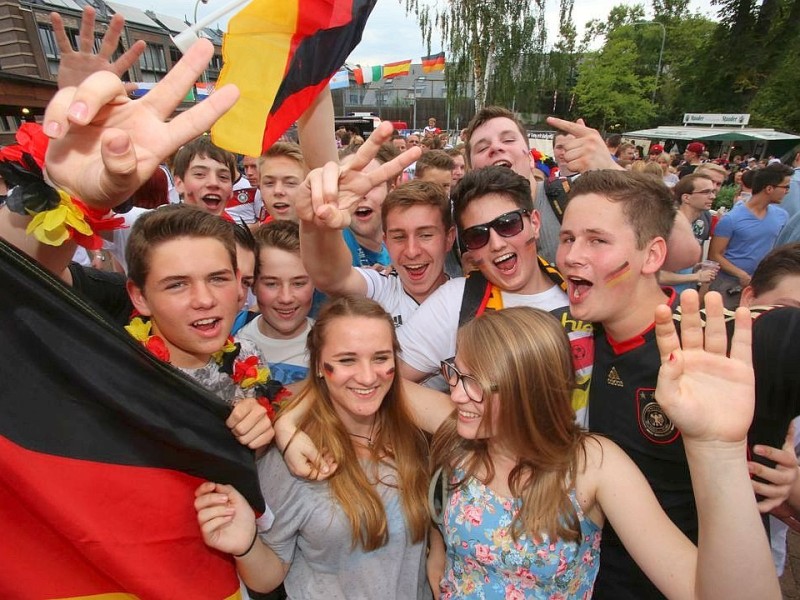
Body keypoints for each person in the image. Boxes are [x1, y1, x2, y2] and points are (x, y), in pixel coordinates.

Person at [427, 294, 778, 599]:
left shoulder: (591, 465)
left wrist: (717, 449)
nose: (456, 393)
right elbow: (390, 390)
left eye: (472, 382)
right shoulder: (462, 439)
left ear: (527, 390)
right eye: (455, 374)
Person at [555, 170, 795, 599]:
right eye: (568, 238)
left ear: (652, 257)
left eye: (596, 240)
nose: (572, 255)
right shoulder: (566, 336)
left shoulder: (732, 338)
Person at [194, 296, 431, 599]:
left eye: (381, 358)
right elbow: (267, 578)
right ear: (319, 365)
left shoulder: (409, 435)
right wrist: (247, 545)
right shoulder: (293, 458)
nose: (368, 376)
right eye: (347, 360)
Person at [237, 220, 314, 384]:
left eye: (298, 283)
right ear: (253, 285)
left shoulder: (331, 343)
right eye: (271, 284)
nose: (286, 298)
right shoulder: (231, 338)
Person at [709, 163, 792, 307]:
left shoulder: (781, 216)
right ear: (769, 188)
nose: (787, 192)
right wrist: (741, 274)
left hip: (759, 284)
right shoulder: (732, 219)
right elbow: (715, 254)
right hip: (728, 284)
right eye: (785, 187)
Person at [257, 142, 308, 223]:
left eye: (290, 183)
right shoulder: (261, 233)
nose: (278, 191)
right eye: (269, 183)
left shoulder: (329, 232)